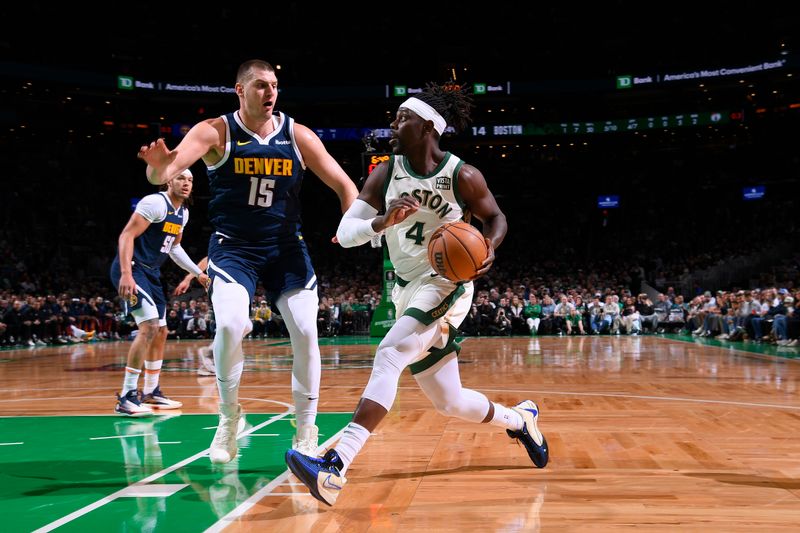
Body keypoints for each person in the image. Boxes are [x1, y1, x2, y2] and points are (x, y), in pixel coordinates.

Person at [285, 83, 549, 506]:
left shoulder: (462, 174)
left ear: (428, 127)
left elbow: (496, 217)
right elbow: (344, 234)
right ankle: (520, 419)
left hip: (447, 283)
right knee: (450, 401)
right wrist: (381, 221)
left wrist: (490, 246)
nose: (394, 123)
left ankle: (334, 465)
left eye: (403, 117)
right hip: (404, 288)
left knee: (389, 353)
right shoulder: (385, 173)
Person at [137, 59, 359, 463]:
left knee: (307, 331)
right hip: (234, 247)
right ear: (240, 90)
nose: (270, 92)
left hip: (285, 248)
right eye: (260, 85)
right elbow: (167, 170)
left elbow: (345, 185)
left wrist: (355, 223)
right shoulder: (215, 131)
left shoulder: (298, 135)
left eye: (274, 85)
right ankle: (228, 419)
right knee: (229, 325)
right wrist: (157, 169)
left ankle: (307, 429)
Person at [111, 169, 209, 416]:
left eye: (189, 180)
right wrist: (125, 273)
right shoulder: (155, 203)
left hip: (152, 273)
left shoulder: (183, 213)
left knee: (162, 331)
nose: (186, 184)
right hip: (133, 268)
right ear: (169, 181)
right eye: (180, 179)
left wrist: (197, 273)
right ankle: (126, 395)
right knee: (150, 327)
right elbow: (126, 235)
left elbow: (174, 249)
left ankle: (152, 392)